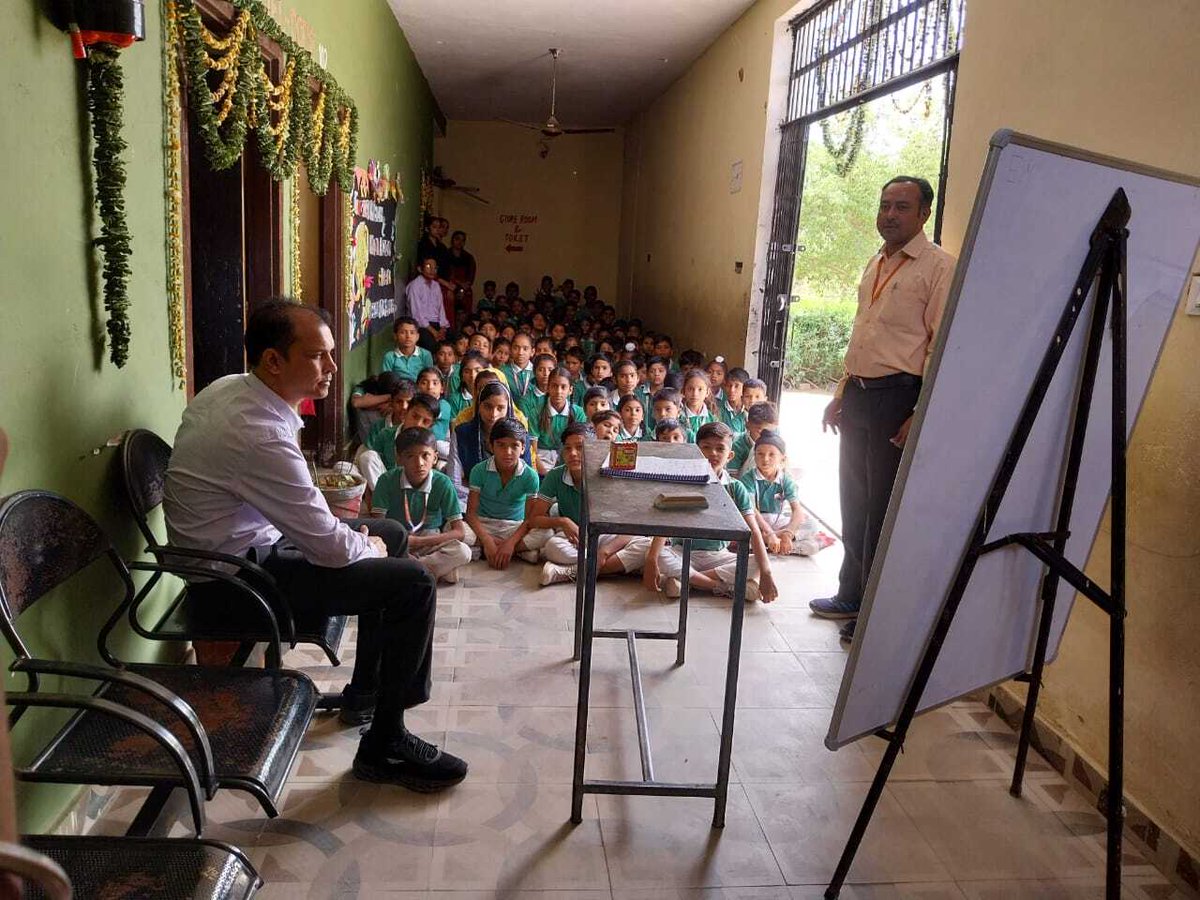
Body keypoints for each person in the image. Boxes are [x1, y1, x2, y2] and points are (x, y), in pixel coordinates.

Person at [162, 299, 467, 791]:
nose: (331, 367)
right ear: (273, 361)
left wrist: (366, 541)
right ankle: (385, 743)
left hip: (246, 551)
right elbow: (329, 546)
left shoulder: (237, 391)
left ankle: (365, 694)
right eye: (318, 356)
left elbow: (310, 520)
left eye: (330, 354)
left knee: (386, 531)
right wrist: (364, 547)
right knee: (410, 582)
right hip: (234, 582)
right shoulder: (256, 431)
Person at [811, 175, 957, 642]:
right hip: (859, 394)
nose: (889, 214)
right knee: (853, 498)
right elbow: (864, 334)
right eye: (884, 205)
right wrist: (840, 393)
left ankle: (876, 612)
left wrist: (921, 410)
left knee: (881, 506)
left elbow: (940, 345)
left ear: (923, 214)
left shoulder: (938, 268)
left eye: (901, 206)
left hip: (898, 397)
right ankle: (850, 592)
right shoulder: (877, 262)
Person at [643, 422, 778, 603]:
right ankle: (722, 587)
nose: (713, 453)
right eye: (706, 447)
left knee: (757, 564)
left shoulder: (735, 488)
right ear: (696, 451)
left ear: (729, 455)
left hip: (718, 556)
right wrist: (651, 561)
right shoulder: (684, 481)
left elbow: (753, 531)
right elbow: (668, 522)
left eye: (720, 448)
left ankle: (685, 581)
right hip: (682, 552)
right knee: (656, 555)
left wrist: (767, 573)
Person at [528, 423, 650, 586]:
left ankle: (569, 572)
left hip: (608, 536)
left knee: (646, 545)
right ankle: (614, 567)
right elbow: (534, 519)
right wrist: (563, 521)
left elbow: (631, 526)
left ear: (594, 448)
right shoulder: (556, 476)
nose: (573, 454)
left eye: (580, 447)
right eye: (567, 448)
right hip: (577, 537)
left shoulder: (608, 474)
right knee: (552, 546)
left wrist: (604, 552)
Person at [372, 427, 471, 584]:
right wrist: (402, 543)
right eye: (410, 456)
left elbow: (459, 531)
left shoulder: (442, 482)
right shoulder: (386, 481)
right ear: (399, 459)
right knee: (372, 551)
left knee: (463, 552)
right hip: (397, 540)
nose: (419, 463)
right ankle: (432, 570)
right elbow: (378, 526)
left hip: (430, 540)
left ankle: (413, 569)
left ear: (435, 458)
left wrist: (419, 542)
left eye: (426, 455)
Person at [464, 417, 547, 570]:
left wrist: (510, 542)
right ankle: (517, 551)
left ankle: (492, 550)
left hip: (513, 527)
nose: (507, 452)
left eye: (514, 446)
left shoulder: (530, 476)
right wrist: (488, 540)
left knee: (546, 533)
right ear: (491, 446)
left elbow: (529, 520)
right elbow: (470, 514)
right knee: (454, 528)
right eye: (501, 445)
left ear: (523, 448)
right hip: (484, 524)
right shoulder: (479, 470)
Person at [446, 380, 532, 505]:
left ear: (508, 409)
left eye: (500, 408)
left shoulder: (520, 435)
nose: (493, 414)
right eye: (487, 406)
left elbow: (526, 481)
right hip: (470, 500)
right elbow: (454, 482)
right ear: (478, 406)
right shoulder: (462, 433)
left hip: (510, 503)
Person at [741, 431, 822, 556]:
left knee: (812, 525)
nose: (765, 459)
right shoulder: (748, 479)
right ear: (754, 455)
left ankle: (770, 544)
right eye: (760, 454)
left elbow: (797, 510)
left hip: (778, 522)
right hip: (757, 522)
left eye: (771, 454)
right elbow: (751, 510)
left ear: (782, 458)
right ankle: (774, 544)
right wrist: (769, 533)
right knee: (745, 529)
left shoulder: (786, 480)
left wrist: (788, 533)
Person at [533, 366, 585, 473]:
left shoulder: (578, 412)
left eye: (563, 387)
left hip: (568, 456)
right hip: (541, 458)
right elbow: (533, 448)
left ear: (570, 390)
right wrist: (543, 472)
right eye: (554, 386)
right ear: (547, 387)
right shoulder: (536, 411)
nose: (558, 391)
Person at [404, 258, 450, 352]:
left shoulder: (436, 285)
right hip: (421, 326)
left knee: (455, 339)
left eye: (435, 267)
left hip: (437, 324)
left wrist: (442, 329)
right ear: (420, 269)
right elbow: (417, 315)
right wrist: (434, 332)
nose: (432, 270)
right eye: (428, 266)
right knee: (432, 346)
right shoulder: (415, 286)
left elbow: (441, 309)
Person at [730, 401, 779, 478]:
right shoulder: (738, 445)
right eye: (759, 431)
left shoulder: (776, 441)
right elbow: (732, 477)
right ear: (747, 425)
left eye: (770, 432)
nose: (766, 436)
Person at [382, 317, 434, 381]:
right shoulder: (390, 357)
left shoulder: (425, 354)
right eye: (403, 332)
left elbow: (429, 378)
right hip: (398, 390)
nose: (408, 336)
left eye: (412, 332)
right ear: (395, 336)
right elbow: (387, 381)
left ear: (417, 337)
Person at [445, 230, 476, 317]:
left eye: (463, 240)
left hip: (465, 290)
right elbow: (445, 274)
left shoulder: (469, 257)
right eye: (457, 239)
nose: (460, 242)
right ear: (452, 240)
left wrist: (463, 288)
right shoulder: (446, 255)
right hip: (449, 287)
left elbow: (471, 276)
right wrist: (458, 284)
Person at [680, 369, 717, 441]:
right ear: (683, 391)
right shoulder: (678, 416)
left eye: (700, 389)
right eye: (690, 389)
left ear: (707, 392)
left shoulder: (713, 418)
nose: (695, 394)